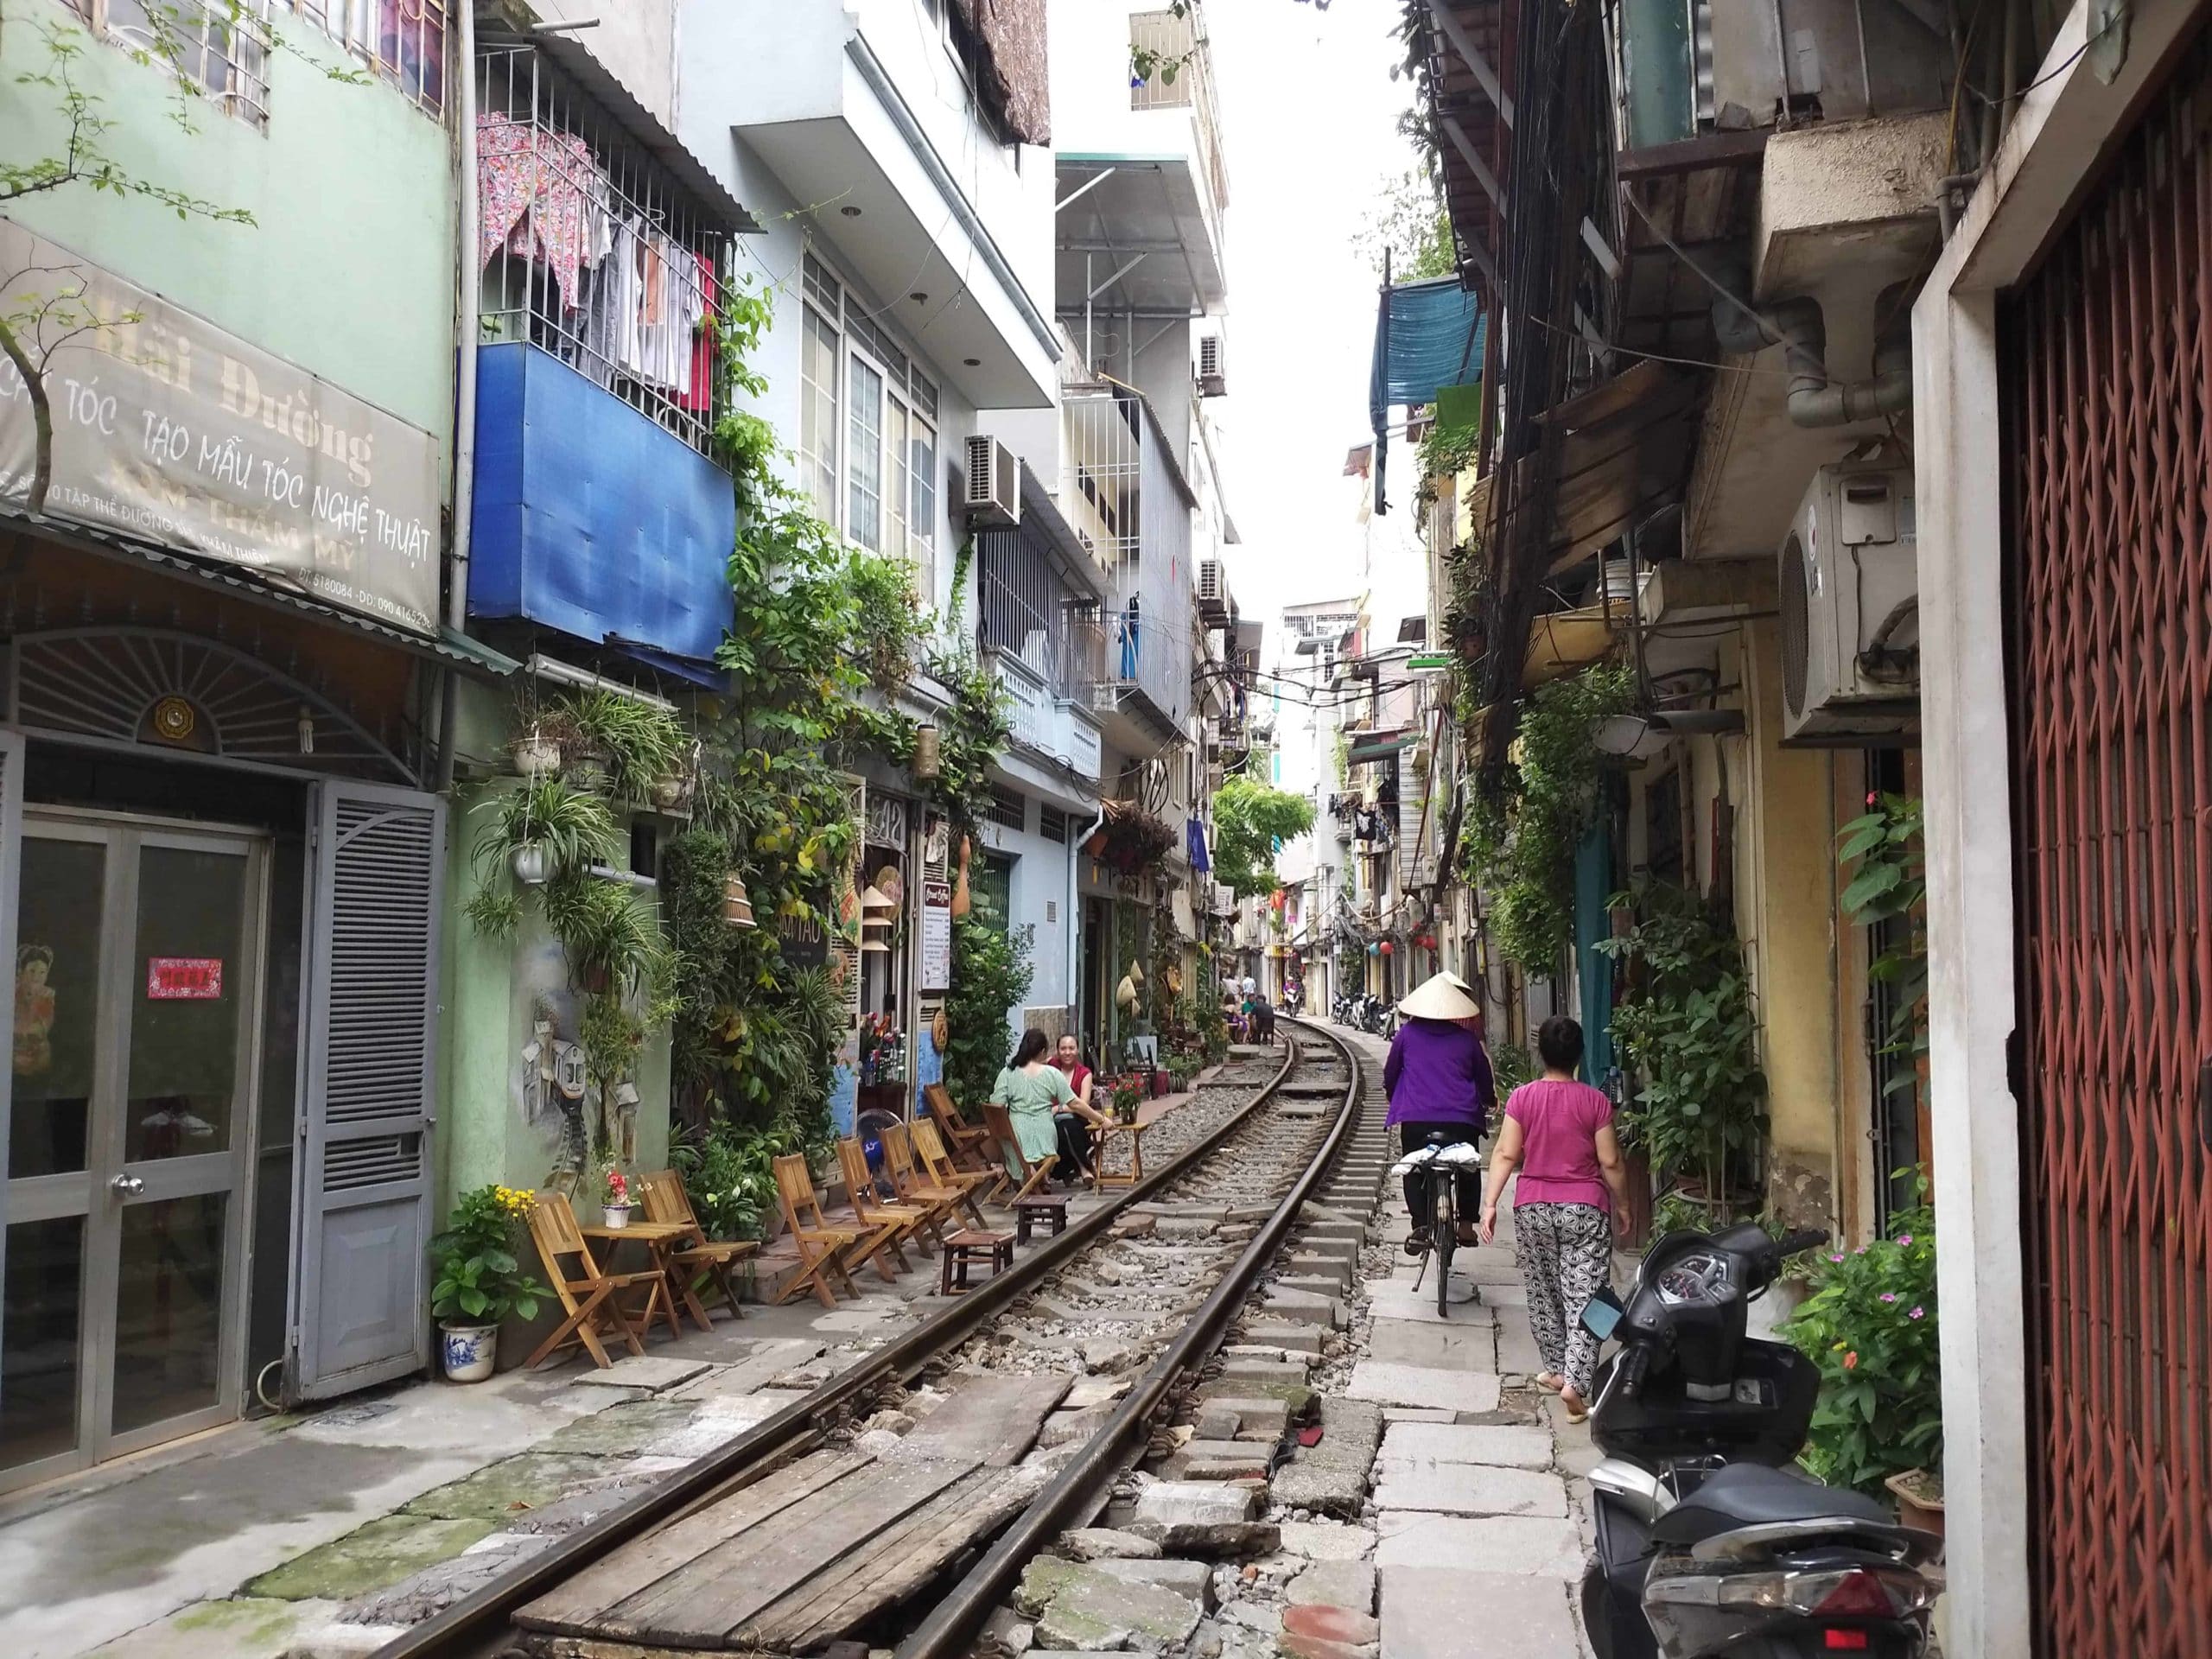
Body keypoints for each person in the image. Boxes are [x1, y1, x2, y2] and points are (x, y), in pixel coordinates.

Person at [1478, 1014, 1632, 1422]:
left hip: (1533, 1209)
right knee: (1589, 1297)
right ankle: (1575, 1385)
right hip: (1584, 1210)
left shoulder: (1522, 1098)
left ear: (1540, 1053)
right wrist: (1624, 1204)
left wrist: (1490, 1203)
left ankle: (1559, 1369)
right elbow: (1611, 1161)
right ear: (1579, 1055)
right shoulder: (1595, 1102)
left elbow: (1507, 1154)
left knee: (1544, 1291)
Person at [1382, 972, 1497, 1250]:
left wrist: (1393, 1096)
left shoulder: (1406, 1035)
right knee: (1468, 1165)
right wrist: (1489, 1099)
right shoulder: (1466, 1039)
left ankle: (1421, 1225)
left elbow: (1390, 1074)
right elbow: (1483, 1077)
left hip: (1417, 1120)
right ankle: (1466, 1226)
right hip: (1462, 1120)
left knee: (1413, 1165)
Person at [989, 1027, 1078, 1177]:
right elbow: (1074, 1103)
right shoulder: (1052, 1073)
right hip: (1045, 1138)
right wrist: (1101, 1119)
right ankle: (1041, 1177)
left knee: (1015, 1141)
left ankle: (1030, 1174)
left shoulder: (1007, 1073)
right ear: (1043, 1051)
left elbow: (996, 1105)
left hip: (1016, 1136)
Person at [1051, 1032, 1111, 1181]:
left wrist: (1059, 1108)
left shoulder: (1084, 1073)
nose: (1067, 1052)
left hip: (1077, 1120)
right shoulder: (1051, 1067)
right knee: (1061, 1128)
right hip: (1050, 1122)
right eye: (1063, 1048)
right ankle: (1084, 1167)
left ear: (1077, 1050)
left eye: (1071, 1048)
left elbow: (1082, 1104)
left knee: (1068, 1126)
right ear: (1057, 1051)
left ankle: (1083, 1168)